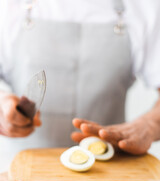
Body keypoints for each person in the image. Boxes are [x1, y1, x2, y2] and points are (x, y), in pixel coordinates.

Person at [0, 0, 160, 161]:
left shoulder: (143, 6)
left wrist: (150, 124)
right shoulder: (8, 6)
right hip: (20, 173)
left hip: (113, 173)